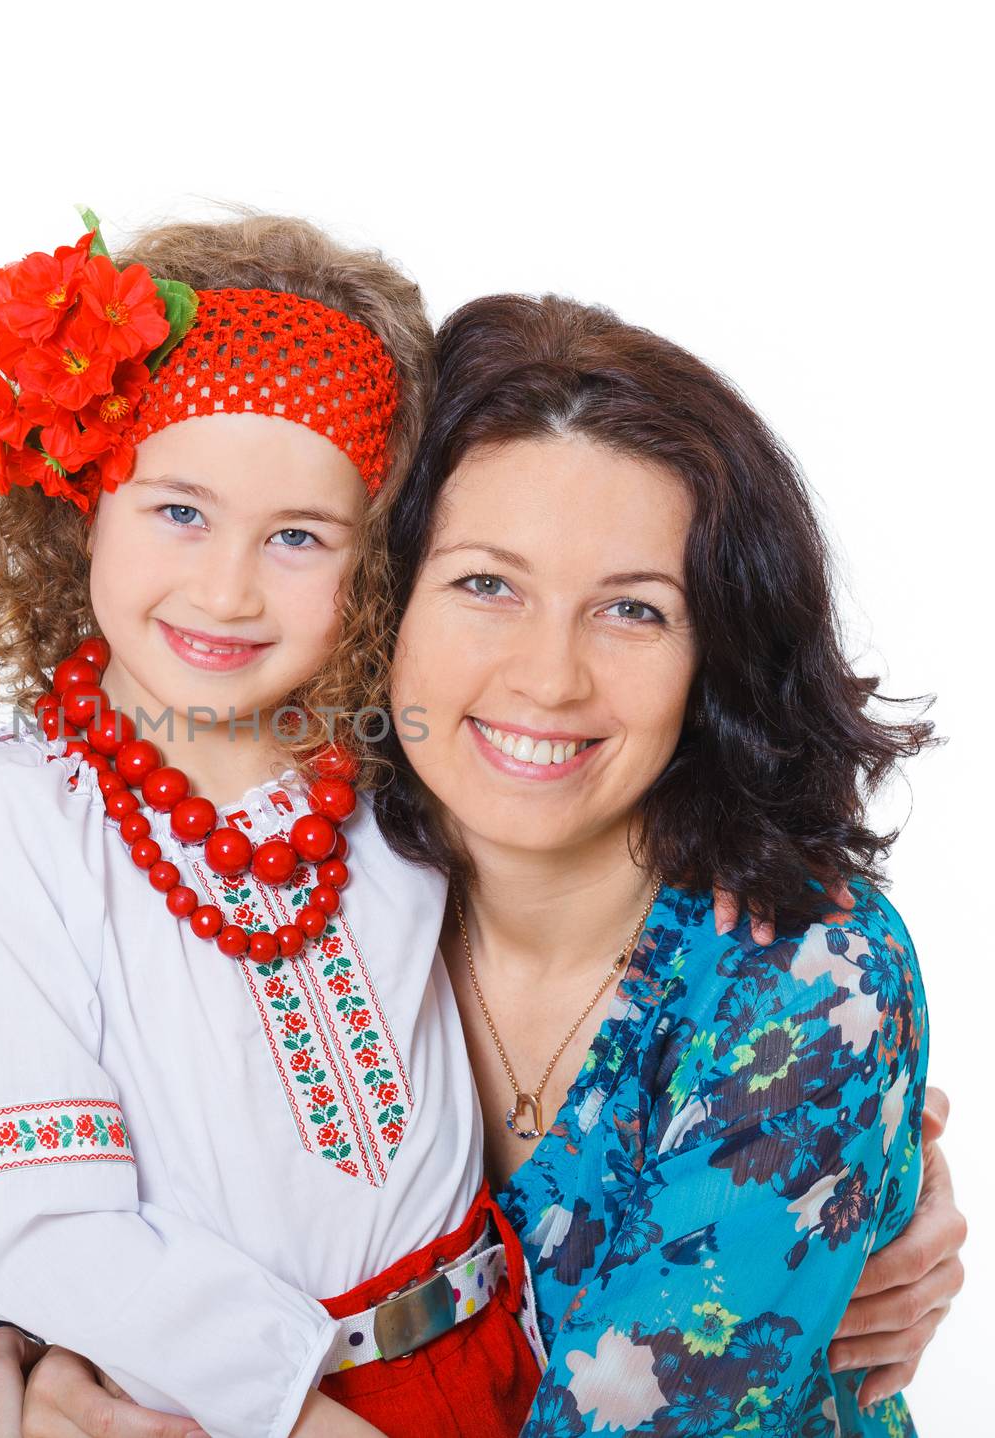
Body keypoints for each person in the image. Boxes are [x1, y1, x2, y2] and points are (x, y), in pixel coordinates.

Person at [0, 213, 546, 1438]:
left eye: (299, 536)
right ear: (84, 504)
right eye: (179, 512)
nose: (228, 589)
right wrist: (300, 1414)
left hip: (511, 1360)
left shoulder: (403, 763)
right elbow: (39, 1223)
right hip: (245, 1412)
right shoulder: (16, 822)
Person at [374, 293, 934, 1434]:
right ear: (382, 600)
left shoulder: (810, 977)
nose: (548, 676)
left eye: (631, 610)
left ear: (716, 654)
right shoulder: (297, 892)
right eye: (487, 583)